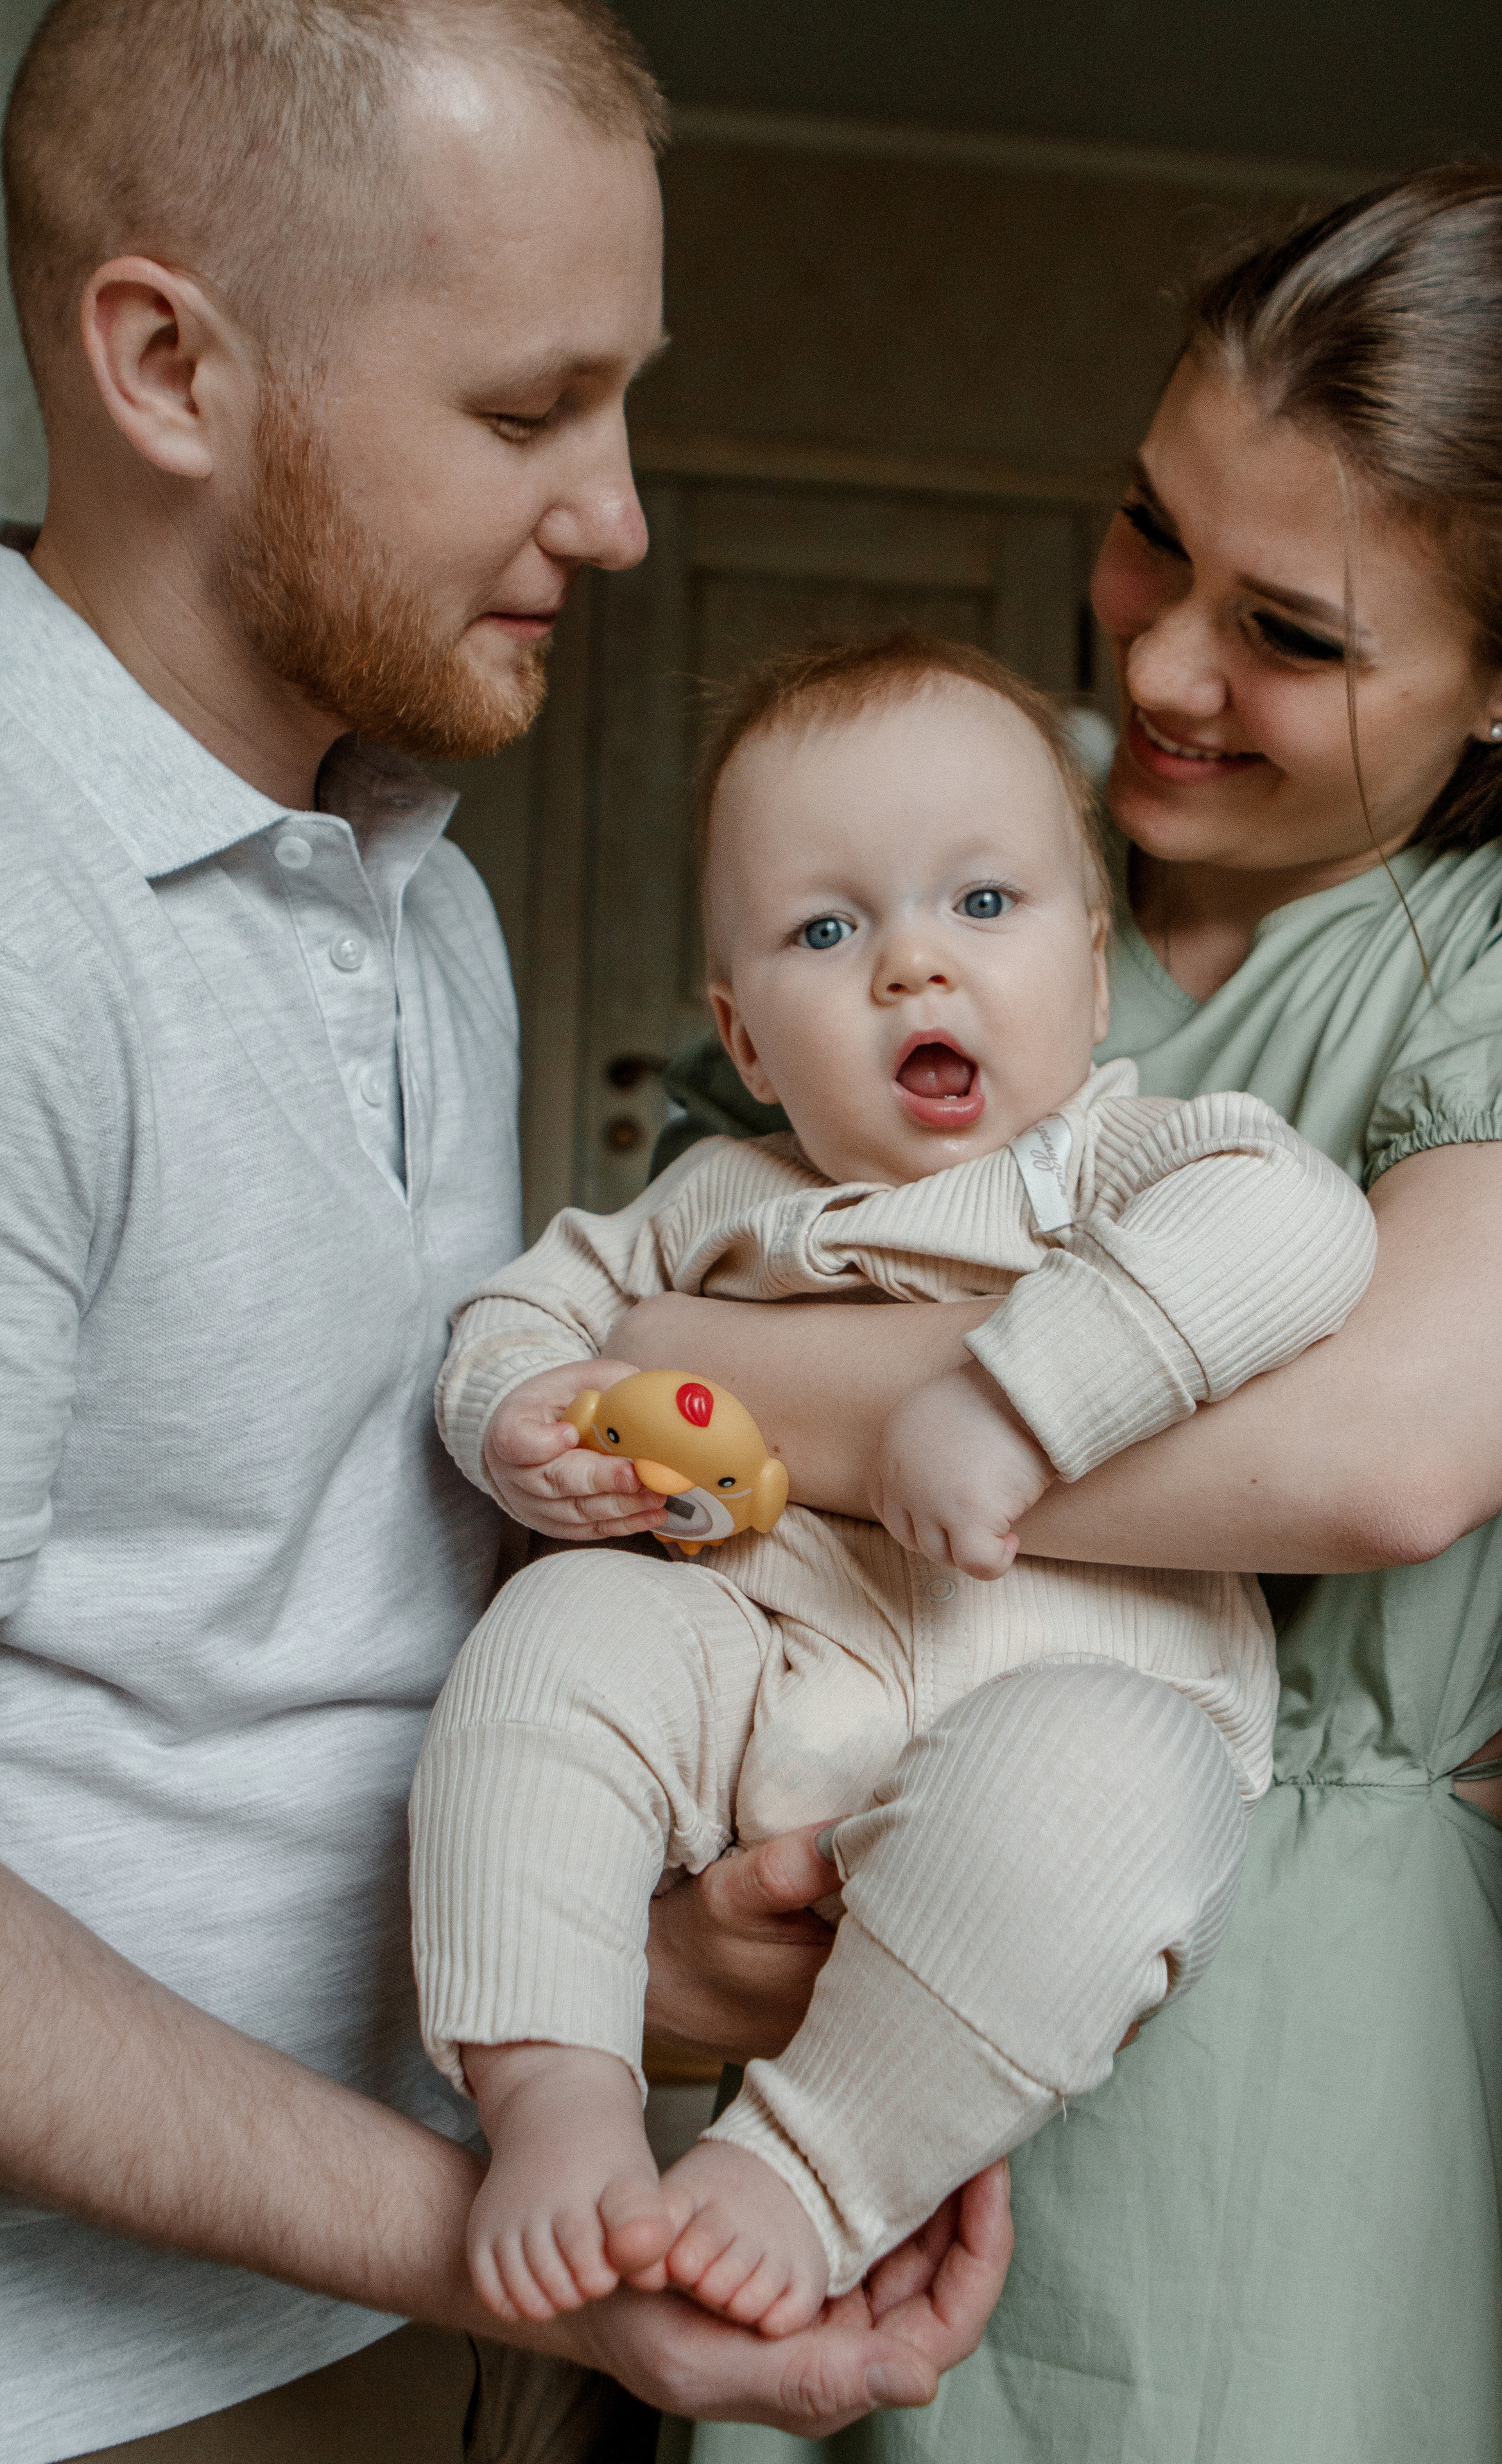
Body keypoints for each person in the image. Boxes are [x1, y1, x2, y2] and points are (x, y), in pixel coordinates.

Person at [0, 6, 1010, 2460]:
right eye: (528, 410)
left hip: (448, 2285)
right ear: (165, 367)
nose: (623, 512)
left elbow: (303, 1643)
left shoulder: (411, 880)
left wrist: (638, 1968)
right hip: (110, 2378)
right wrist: (486, 2247)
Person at [632, 166, 1502, 2463]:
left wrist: (680, 1384)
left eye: (1291, 632)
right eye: (1145, 533)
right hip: (846, 1949)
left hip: (1296, 2036)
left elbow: (1387, 1452)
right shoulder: (950, 844)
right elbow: (677, 1397)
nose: (1161, 664)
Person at [411, 633, 1376, 2338]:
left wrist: (1014, 1399)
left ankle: (809, 2170)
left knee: (1109, 1801)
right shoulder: (717, 1194)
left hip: (1064, 1700)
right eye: (826, 930)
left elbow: (1300, 1226)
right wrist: (517, 1421)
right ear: (745, 1035)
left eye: (985, 906)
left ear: (1096, 969)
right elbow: (527, 1309)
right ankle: (552, 2077)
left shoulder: (1119, 1162)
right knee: (563, 1639)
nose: (911, 967)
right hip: (765, 1677)